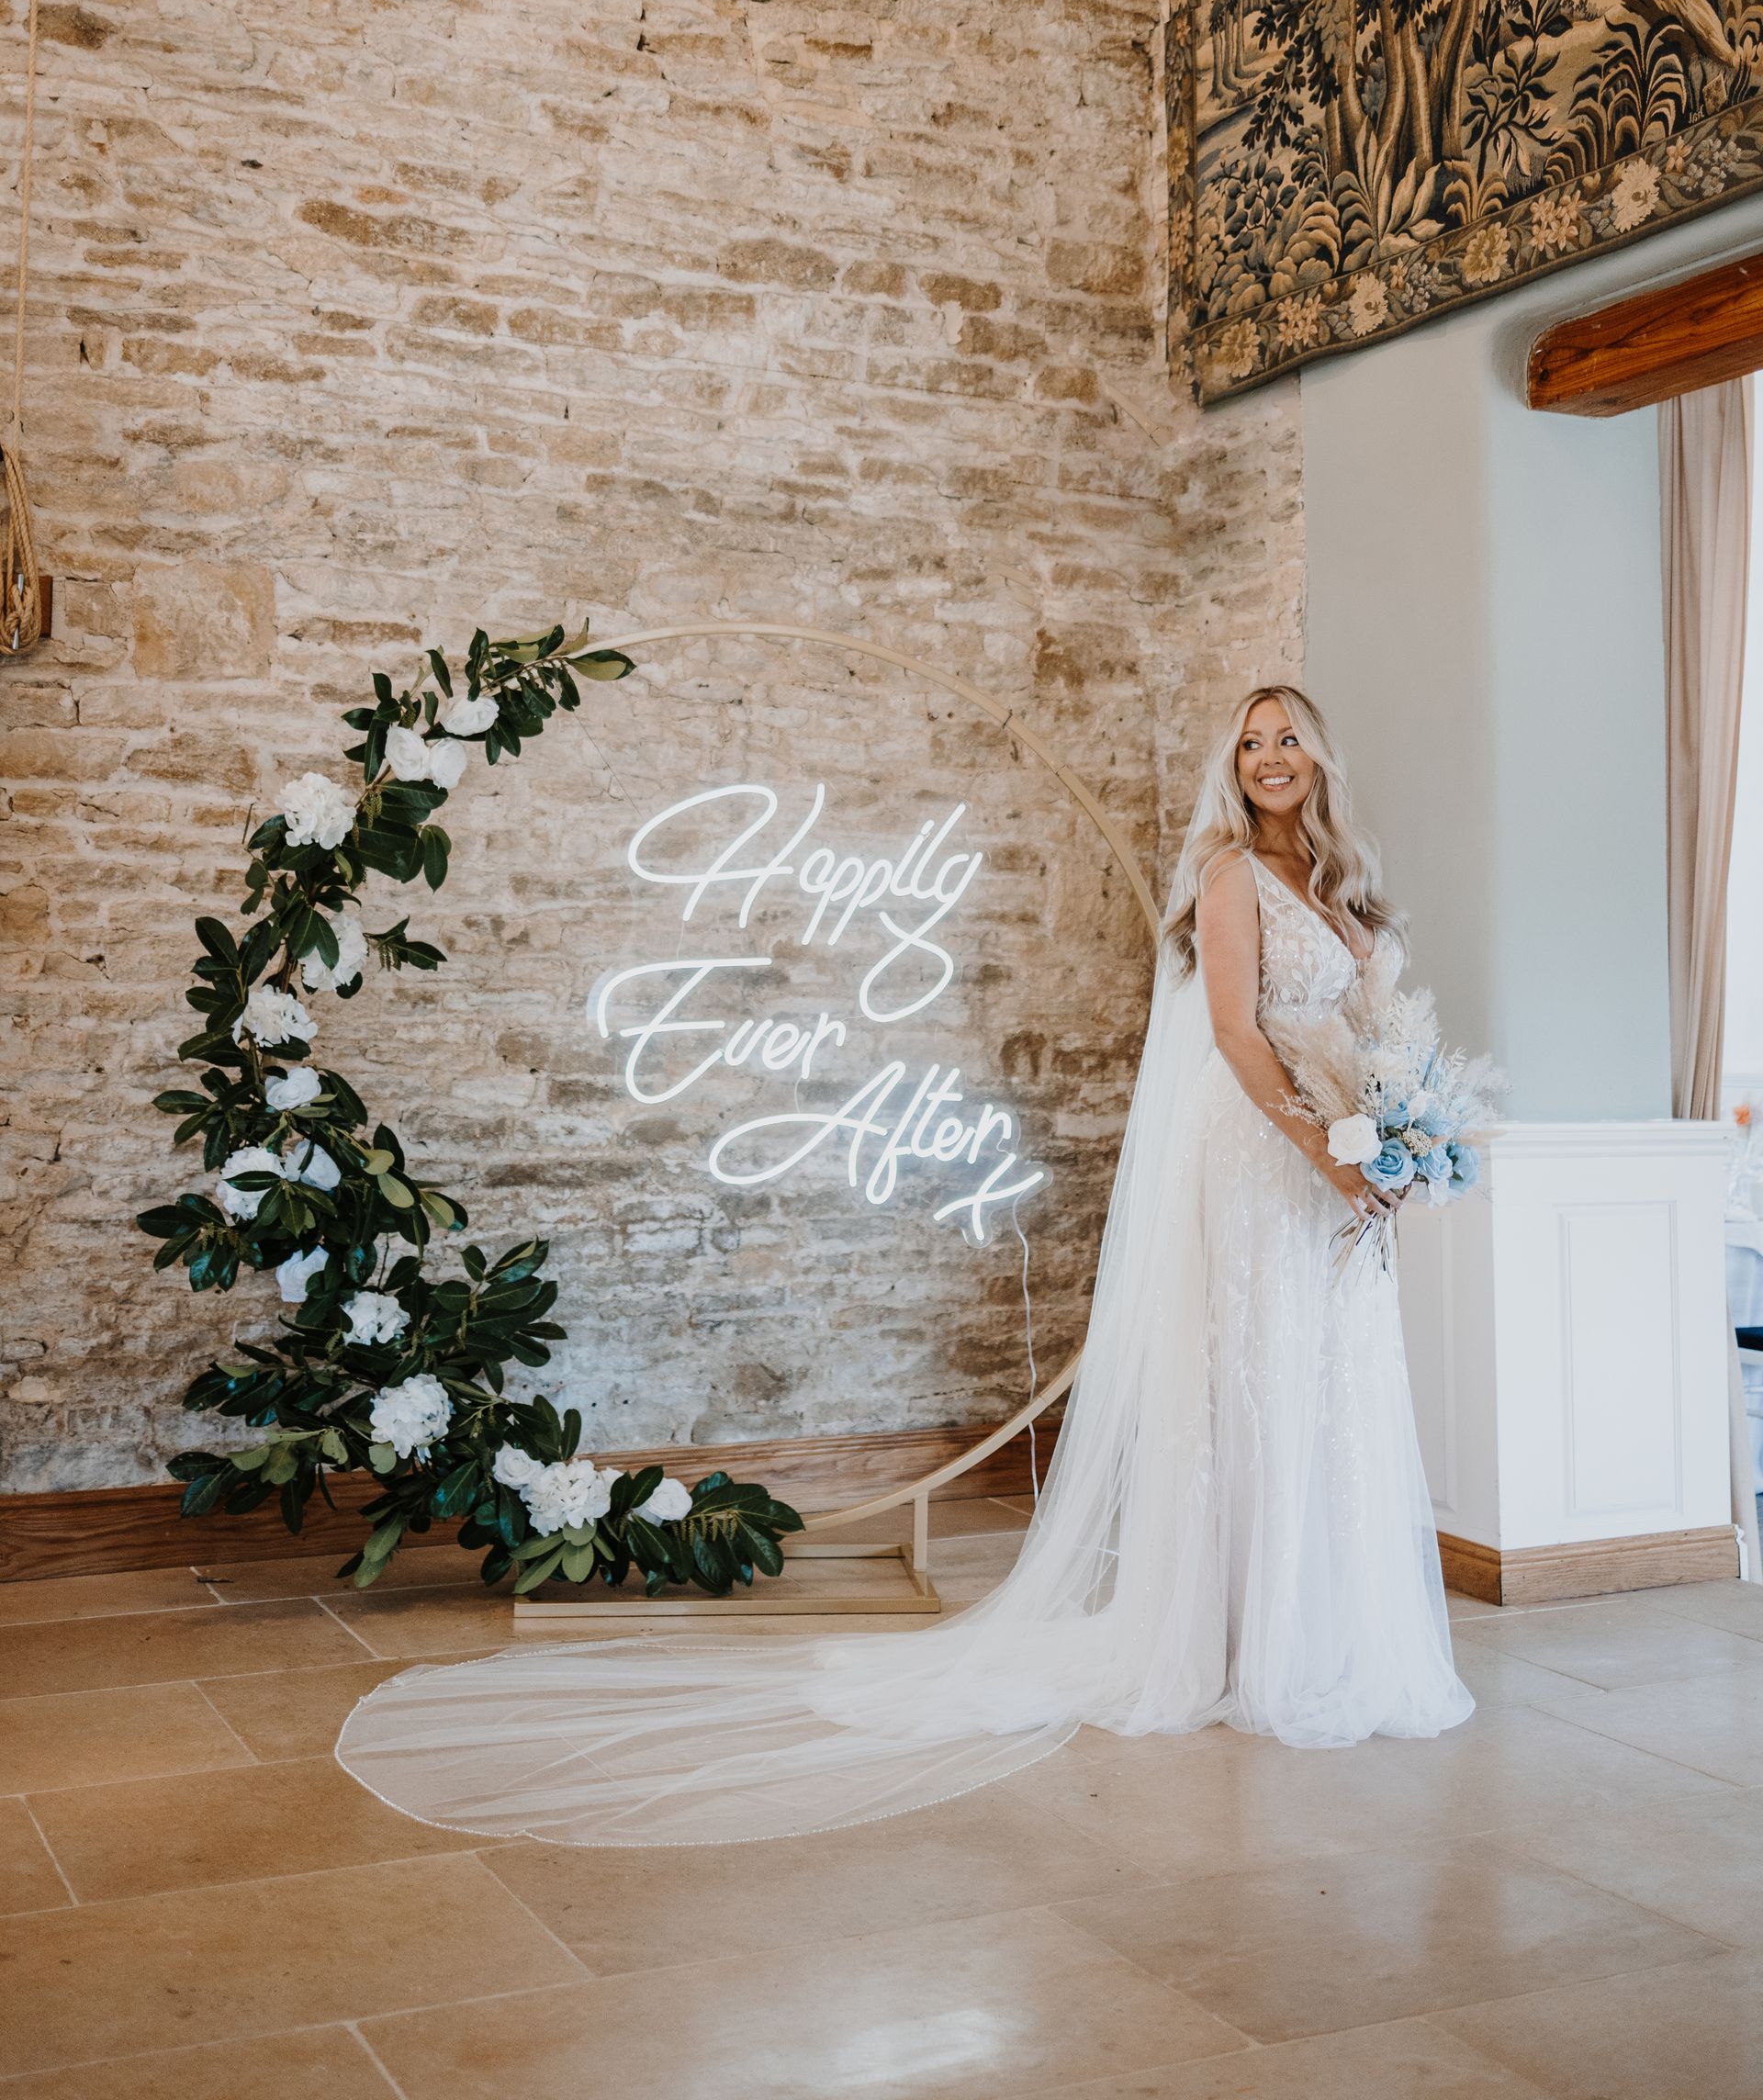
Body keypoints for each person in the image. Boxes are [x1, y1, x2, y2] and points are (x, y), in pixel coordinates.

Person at [336, 685, 1472, 1847]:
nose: (1271, 758)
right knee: (1256, 1382)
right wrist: (1328, 1148)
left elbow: (1375, 1034)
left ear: (1319, 757)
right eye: (1252, 743)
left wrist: (1399, 1135)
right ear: (1232, 766)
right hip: (1266, 1156)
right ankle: (1236, 1639)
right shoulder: (1231, 877)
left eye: (1289, 740)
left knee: (1326, 1383)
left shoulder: (1342, 885)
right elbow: (1234, 1031)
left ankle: (1321, 1627)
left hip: (1339, 1163)